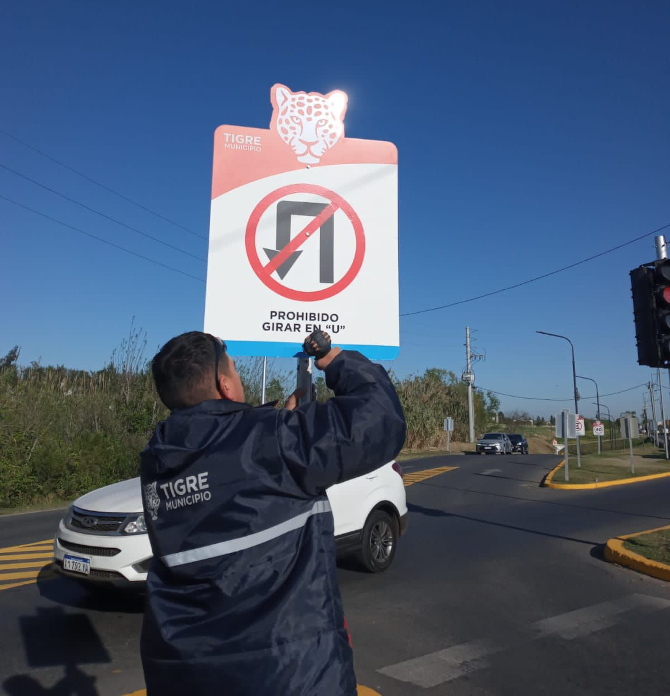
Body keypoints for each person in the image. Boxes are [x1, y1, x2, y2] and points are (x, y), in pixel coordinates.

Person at [139, 330, 406, 696]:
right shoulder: (274, 441)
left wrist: (281, 426)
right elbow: (380, 420)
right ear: (224, 385)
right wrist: (333, 359)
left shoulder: (158, 460)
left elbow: (231, 476)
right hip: (288, 676)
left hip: (183, 673)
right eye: (232, 368)